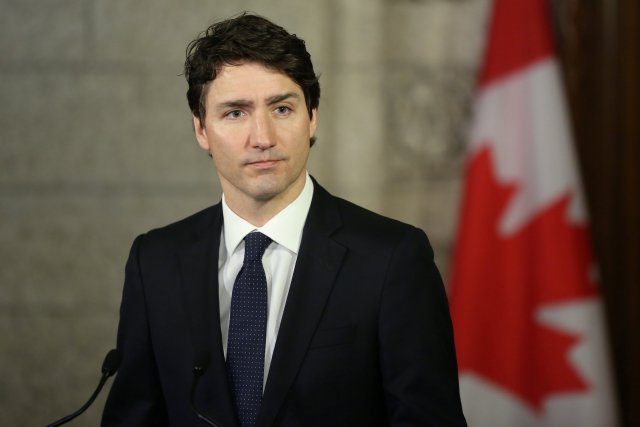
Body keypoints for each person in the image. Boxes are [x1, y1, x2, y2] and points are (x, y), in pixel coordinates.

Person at [102, 13, 466, 427]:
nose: (262, 137)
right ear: (201, 129)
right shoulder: (156, 261)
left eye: (282, 108)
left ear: (311, 117)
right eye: (235, 113)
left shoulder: (392, 259)